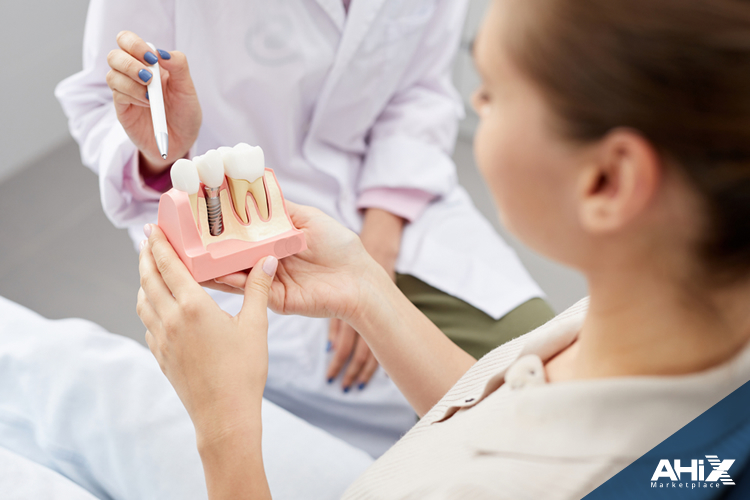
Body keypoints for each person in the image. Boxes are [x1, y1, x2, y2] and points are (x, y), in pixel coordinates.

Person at [135, 0, 750, 497]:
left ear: (606, 182)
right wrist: (366, 291)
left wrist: (225, 426)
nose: (474, 105)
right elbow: (520, 421)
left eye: (491, 90)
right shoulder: (666, 326)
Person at [55, 0, 553, 457]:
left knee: (541, 375)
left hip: (398, 202)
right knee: (467, 429)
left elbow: (420, 89)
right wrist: (162, 148)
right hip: (234, 225)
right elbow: (102, 105)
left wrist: (379, 236)